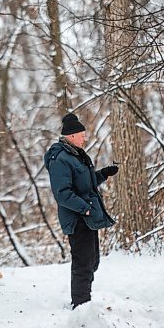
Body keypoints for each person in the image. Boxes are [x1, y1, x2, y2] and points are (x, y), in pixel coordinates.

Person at [44, 113, 118, 309]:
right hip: (78, 219)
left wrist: (102, 174)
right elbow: (63, 194)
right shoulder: (61, 159)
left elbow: (84, 184)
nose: (85, 138)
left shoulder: (75, 155)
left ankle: (85, 301)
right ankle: (81, 305)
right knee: (83, 264)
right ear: (73, 135)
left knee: (92, 261)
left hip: (87, 217)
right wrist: (86, 210)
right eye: (83, 134)